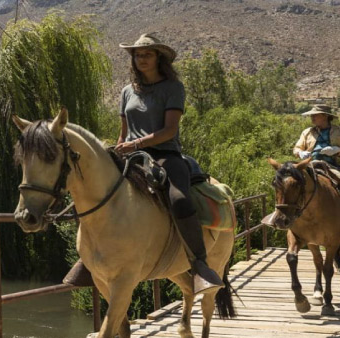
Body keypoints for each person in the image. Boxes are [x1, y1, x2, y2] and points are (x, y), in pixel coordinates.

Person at [63, 33, 223, 296]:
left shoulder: (172, 88)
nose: (141, 59)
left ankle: (199, 265)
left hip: (165, 156)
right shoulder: (127, 92)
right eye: (137, 55)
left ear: (159, 58)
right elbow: (123, 133)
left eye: (147, 54)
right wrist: (115, 152)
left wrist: (136, 145)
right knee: (90, 195)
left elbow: (169, 130)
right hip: (128, 156)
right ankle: (88, 260)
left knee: (180, 199)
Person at [292, 104, 340, 235]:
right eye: (312, 115)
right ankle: (285, 215)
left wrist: (337, 150)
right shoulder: (307, 132)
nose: (312, 117)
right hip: (310, 165)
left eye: (315, 115)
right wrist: (300, 153)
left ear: (325, 116)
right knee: (288, 182)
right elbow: (296, 148)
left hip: (334, 165)